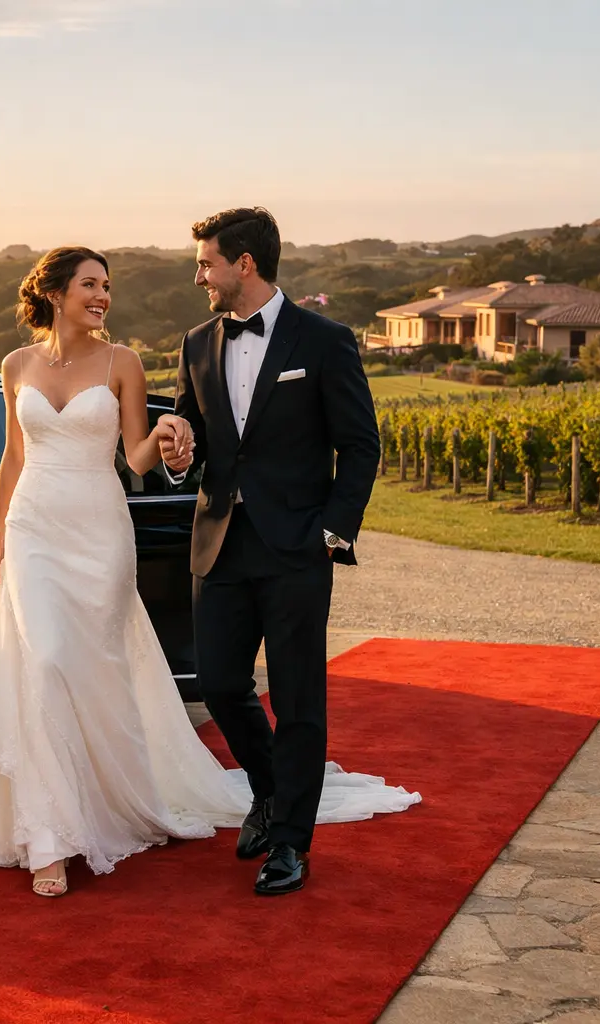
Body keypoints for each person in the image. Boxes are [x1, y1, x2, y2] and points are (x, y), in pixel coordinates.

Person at [0, 245, 417, 898]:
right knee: (43, 664)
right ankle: (49, 838)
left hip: (98, 530)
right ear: (55, 292)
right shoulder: (15, 365)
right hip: (34, 529)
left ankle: (107, 804)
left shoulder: (123, 363)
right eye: (90, 285)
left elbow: (137, 460)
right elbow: (13, 456)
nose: (102, 297)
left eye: (108, 286)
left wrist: (171, 438)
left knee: (86, 670)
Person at [161, 207, 391, 894]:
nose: (198, 274)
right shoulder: (197, 341)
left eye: (206, 263)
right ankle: (269, 790)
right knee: (219, 684)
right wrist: (177, 459)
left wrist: (333, 530)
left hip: (296, 548)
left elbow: (360, 446)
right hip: (219, 543)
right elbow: (190, 438)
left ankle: (291, 841)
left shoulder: (324, 341)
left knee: (298, 700)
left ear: (245, 265)